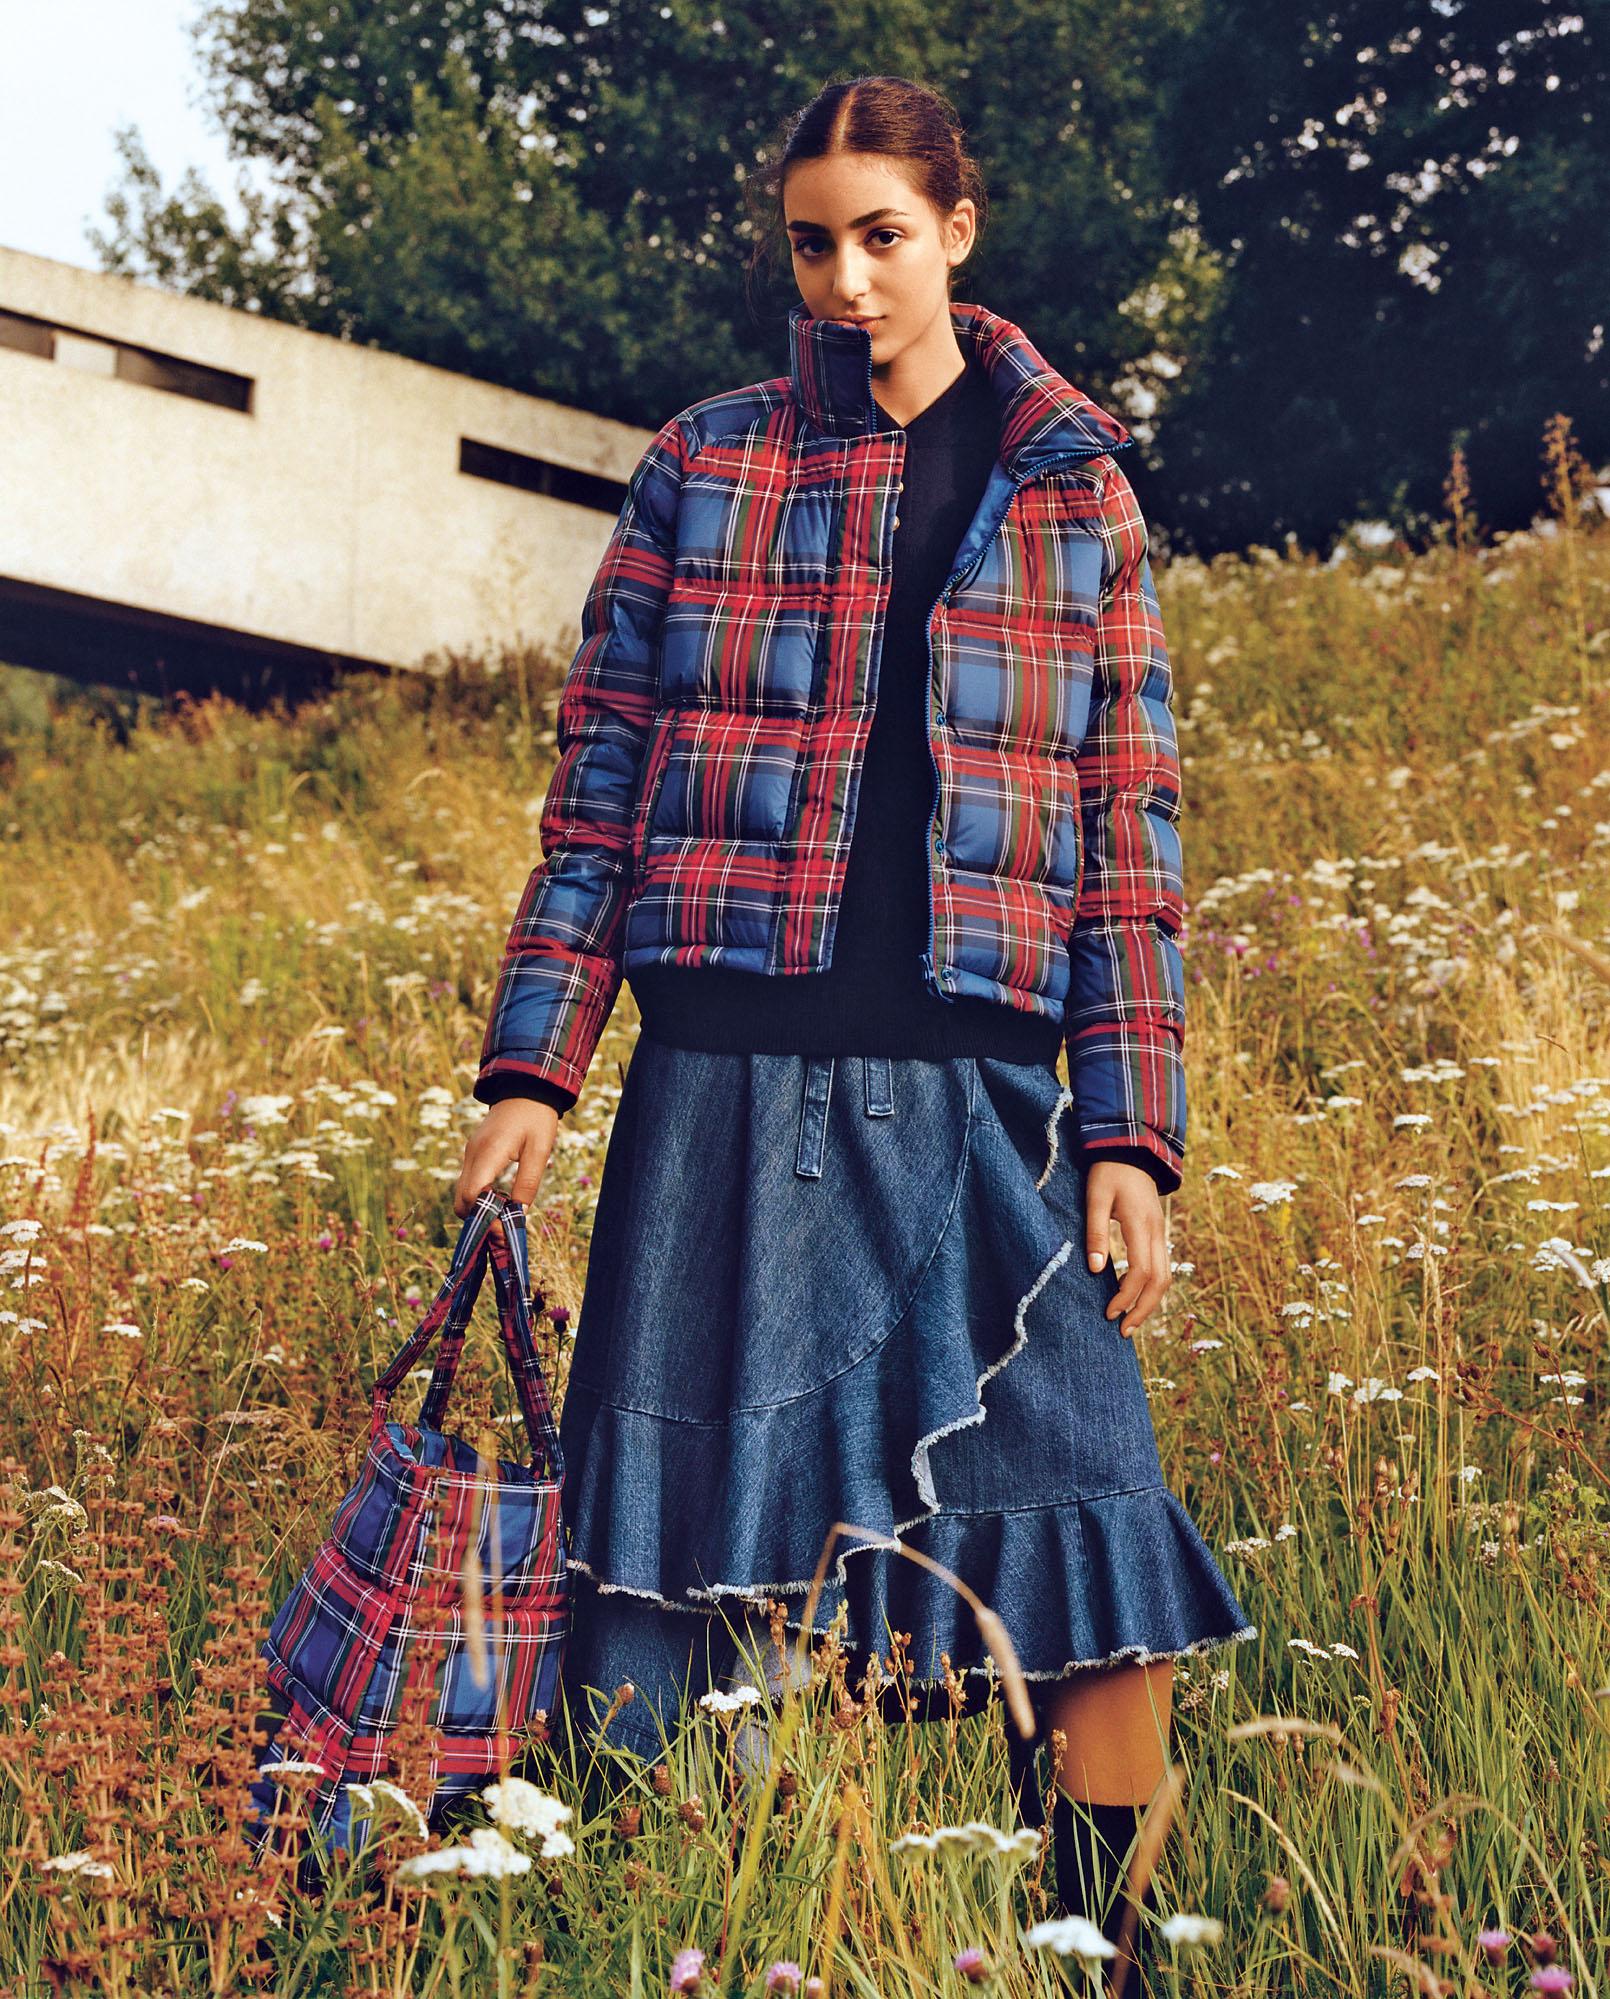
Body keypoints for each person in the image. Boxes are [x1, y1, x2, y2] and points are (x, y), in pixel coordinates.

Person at [456, 71, 1255, 1990]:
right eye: (811, 244)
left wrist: (1129, 1133)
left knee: (1089, 1524)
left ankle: (1101, 1957)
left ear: (955, 232)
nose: (844, 280)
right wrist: (531, 1070)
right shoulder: (705, 465)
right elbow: (600, 795)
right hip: (721, 1089)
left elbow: (1126, 834)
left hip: (982, 1091)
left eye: (881, 237)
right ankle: (697, 1934)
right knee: (689, 1564)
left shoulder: (1073, 487)